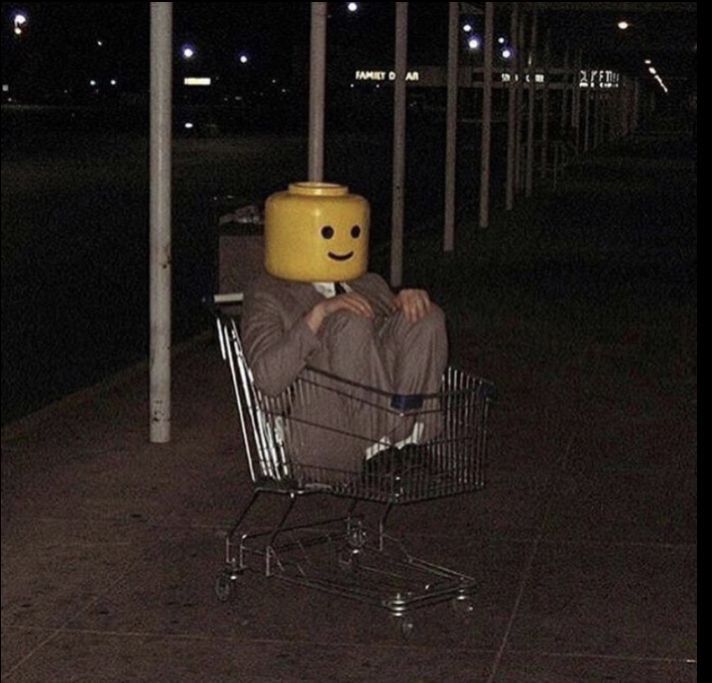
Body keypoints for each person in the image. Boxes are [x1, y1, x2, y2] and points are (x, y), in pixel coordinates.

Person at [241, 182, 448, 481]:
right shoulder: (268, 294)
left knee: (426, 317)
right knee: (348, 321)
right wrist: (318, 315)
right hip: (326, 429)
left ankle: (407, 441)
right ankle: (386, 446)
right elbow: (268, 381)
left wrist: (408, 300)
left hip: (392, 427)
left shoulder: (366, 282)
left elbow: (396, 339)